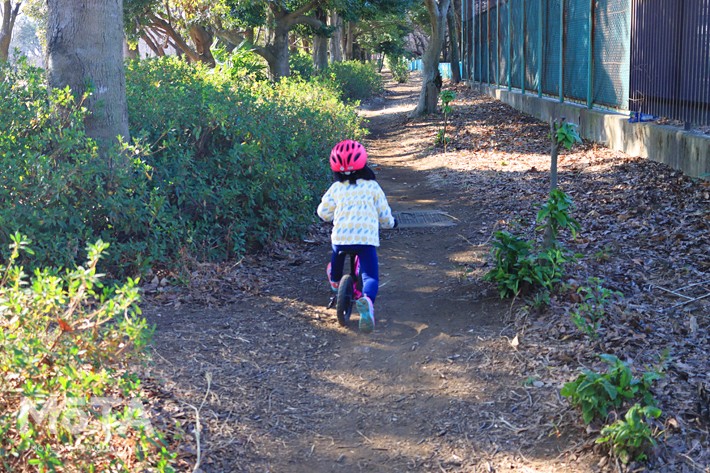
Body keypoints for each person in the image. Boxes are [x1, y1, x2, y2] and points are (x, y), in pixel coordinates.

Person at [317, 139, 397, 333]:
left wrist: (329, 215)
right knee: (370, 276)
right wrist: (391, 224)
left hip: (341, 239)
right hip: (366, 241)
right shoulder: (372, 187)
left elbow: (323, 213)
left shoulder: (336, 188)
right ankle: (367, 301)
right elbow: (384, 215)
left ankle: (336, 281)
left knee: (337, 258)